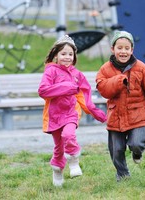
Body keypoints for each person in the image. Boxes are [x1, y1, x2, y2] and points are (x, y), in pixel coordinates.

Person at [96, 30, 145, 182]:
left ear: (132, 50)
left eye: (126, 48)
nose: (123, 51)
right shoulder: (105, 69)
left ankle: (137, 153)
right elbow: (103, 89)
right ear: (113, 49)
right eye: (119, 48)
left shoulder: (141, 68)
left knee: (136, 144)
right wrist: (118, 81)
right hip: (115, 117)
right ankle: (123, 175)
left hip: (138, 115)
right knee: (116, 150)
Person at [38, 34, 107, 187]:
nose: (67, 57)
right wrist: (66, 88)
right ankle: (57, 171)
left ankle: (74, 161)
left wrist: (97, 114)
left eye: (70, 54)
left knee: (68, 135)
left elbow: (85, 96)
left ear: (74, 57)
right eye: (63, 54)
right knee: (58, 147)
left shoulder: (77, 75)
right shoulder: (50, 71)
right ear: (56, 55)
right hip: (54, 115)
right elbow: (43, 91)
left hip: (71, 113)